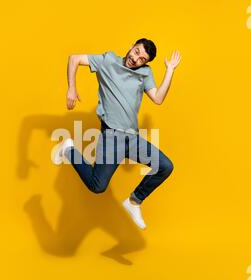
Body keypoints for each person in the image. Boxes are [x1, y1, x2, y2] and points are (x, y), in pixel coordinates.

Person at [56, 38, 181, 230]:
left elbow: (158, 98)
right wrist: (71, 88)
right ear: (131, 46)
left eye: (142, 59)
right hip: (112, 136)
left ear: (145, 63)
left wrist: (170, 71)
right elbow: (74, 59)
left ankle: (134, 201)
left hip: (132, 138)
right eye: (137, 51)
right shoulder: (108, 61)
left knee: (165, 166)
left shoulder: (144, 73)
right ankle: (69, 149)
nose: (136, 58)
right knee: (98, 186)